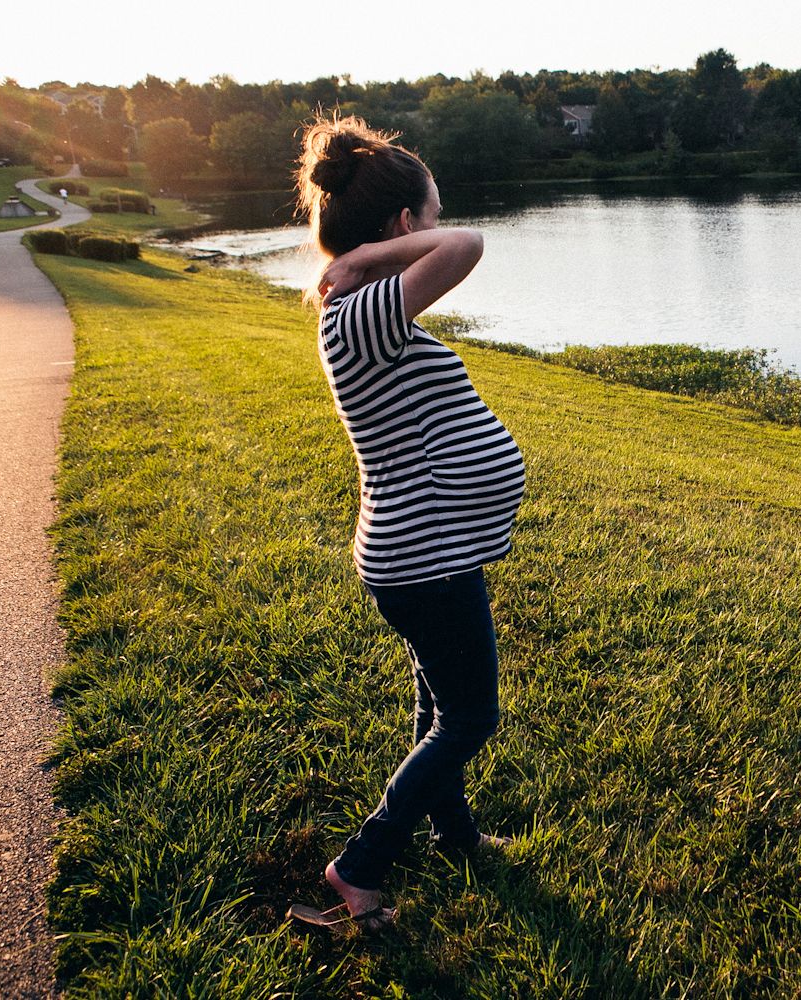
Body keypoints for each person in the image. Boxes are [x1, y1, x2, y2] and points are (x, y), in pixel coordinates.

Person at [286, 116, 526, 933]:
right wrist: (362, 257)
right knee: (470, 717)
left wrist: (366, 259)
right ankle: (360, 866)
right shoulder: (362, 311)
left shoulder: (365, 318)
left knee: (438, 707)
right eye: (427, 215)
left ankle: (456, 836)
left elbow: (451, 242)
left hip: (429, 552)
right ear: (400, 230)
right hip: (424, 559)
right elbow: (468, 247)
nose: (437, 228)